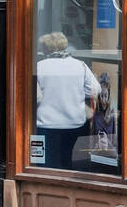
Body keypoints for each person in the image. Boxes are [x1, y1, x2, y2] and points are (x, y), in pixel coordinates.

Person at [35, 31, 99, 170]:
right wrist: (76, 93)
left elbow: (36, 96)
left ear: (46, 48)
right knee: (69, 162)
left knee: (47, 165)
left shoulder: (40, 66)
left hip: (47, 124)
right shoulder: (80, 65)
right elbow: (95, 89)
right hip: (74, 124)